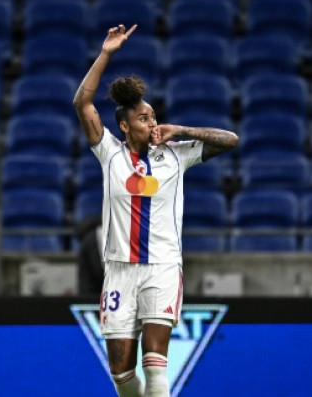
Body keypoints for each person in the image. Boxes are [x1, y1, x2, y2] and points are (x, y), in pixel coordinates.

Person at [73, 24, 239, 397]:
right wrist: (106, 54)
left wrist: (181, 128)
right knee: (120, 369)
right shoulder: (109, 153)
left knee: (156, 361)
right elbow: (82, 104)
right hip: (118, 270)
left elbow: (230, 140)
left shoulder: (175, 156)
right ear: (124, 125)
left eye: (153, 117)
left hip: (162, 266)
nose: (151, 123)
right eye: (143, 119)